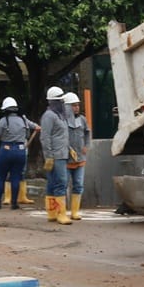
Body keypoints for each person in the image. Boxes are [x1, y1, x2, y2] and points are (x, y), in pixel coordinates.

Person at [0, 96, 37, 209]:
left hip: (6, 150)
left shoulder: (4, 121)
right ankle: (14, 203)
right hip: (20, 151)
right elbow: (35, 127)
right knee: (16, 177)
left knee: (1, 177)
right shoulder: (23, 119)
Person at [39, 86, 72, 225]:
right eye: (60, 101)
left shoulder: (60, 116)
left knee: (53, 183)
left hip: (62, 153)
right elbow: (45, 138)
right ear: (54, 101)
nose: (63, 103)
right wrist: (49, 156)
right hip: (56, 155)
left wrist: (69, 148)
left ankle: (52, 213)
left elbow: (61, 135)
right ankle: (61, 214)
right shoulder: (49, 116)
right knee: (61, 183)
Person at [62, 90, 89, 220]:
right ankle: (61, 211)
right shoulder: (62, 121)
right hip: (66, 159)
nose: (76, 107)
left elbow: (87, 133)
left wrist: (86, 146)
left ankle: (74, 212)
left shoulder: (83, 120)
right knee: (64, 184)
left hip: (80, 159)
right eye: (73, 105)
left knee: (78, 184)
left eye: (77, 105)